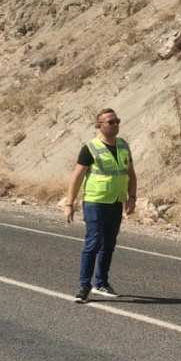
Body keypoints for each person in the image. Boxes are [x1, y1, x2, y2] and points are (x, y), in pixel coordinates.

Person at [65, 108, 136, 304]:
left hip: (115, 202)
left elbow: (130, 173)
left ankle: (101, 283)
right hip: (95, 202)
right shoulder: (90, 147)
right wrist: (69, 203)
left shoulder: (123, 146)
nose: (115, 125)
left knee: (109, 244)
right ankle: (84, 286)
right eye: (110, 122)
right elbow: (77, 176)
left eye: (117, 121)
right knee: (93, 243)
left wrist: (132, 197)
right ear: (99, 125)